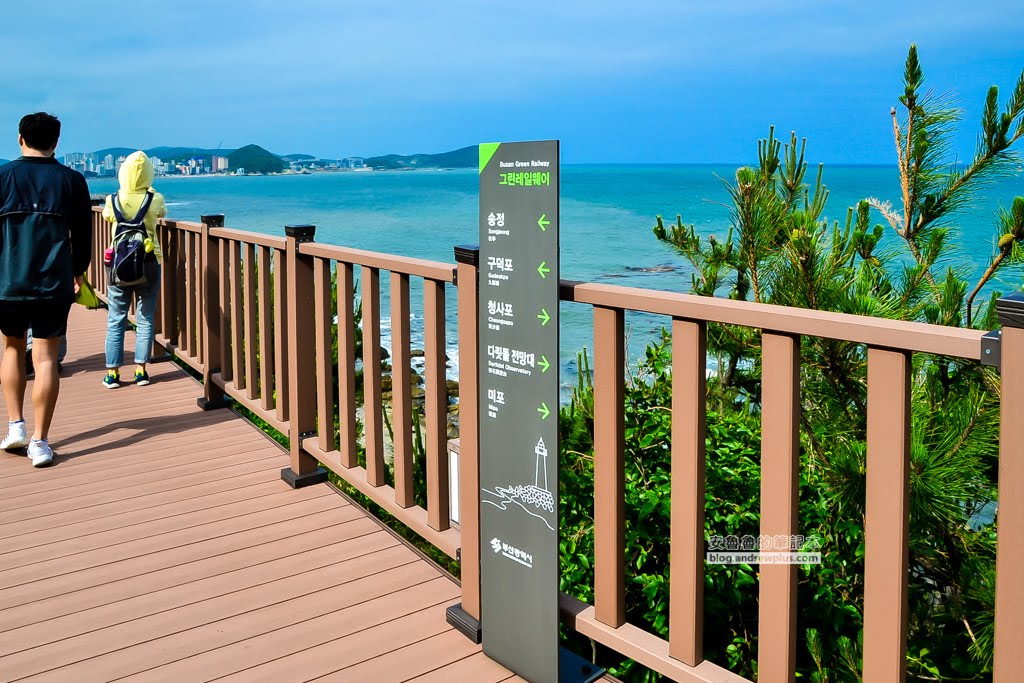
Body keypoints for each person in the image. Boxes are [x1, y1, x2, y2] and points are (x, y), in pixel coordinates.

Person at [0, 112, 92, 467]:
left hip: (8, 281)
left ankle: (15, 427)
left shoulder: (4, 176)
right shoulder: (71, 180)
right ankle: (40, 442)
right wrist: (78, 271)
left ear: (20, 139)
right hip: (54, 281)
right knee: (46, 358)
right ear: (56, 142)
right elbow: (82, 234)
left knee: (11, 348)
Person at [101, 151, 166, 389]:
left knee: (116, 318)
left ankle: (112, 373)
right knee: (145, 318)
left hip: (118, 266)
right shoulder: (155, 198)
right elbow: (162, 213)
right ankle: (141, 371)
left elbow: (107, 217)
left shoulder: (113, 199)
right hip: (149, 263)